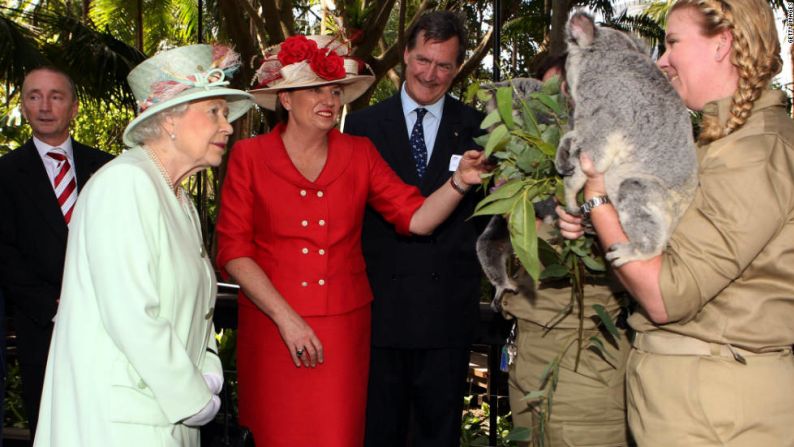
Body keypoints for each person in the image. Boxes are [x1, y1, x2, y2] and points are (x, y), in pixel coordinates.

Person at [215, 33, 488, 447]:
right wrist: (286, 319)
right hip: (272, 328)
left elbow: (416, 219)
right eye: (316, 89)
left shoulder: (359, 153)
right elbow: (233, 249)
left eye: (336, 90)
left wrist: (459, 182)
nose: (330, 99)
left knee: (336, 435)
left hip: (342, 333)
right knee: (275, 433)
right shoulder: (249, 157)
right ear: (285, 98)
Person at [558, 0, 794, 444]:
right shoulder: (718, 142)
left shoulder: (755, 153)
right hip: (692, 395)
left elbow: (666, 294)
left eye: (673, 42)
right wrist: (598, 223)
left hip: (716, 404)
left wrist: (597, 200)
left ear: (722, 44)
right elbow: (672, 243)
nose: (662, 61)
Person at [32, 44, 253, 446]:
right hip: (120, 421)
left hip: (166, 414)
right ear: (170, 119)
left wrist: (208, 368)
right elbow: (131, 314)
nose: (228, 127)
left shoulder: (177, 196)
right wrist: (192, 394)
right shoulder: (125, 184)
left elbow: (195, 306)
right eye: (215, 112)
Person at [342, 12, 486, 447]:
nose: (431, 74)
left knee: (437, 436)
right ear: (405, 54)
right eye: (423, 60)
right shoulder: (362, 126)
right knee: (377, 432)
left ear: (458, 67)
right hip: (381, 315)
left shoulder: (480, 129)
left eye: (444, 65)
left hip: (447, 317)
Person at [501, 55, 630, 446]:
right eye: (548, 96)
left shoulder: (623, 163)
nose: (560, 104)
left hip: (584, 360)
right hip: (528, 352)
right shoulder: (527, 169)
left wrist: (589, 216)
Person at [0, 66, 114, 439]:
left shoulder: (109, 168)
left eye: (56, 96)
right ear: (24, 105)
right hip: (42, 330)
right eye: (34, 96)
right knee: (52, 431)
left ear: (74, 107)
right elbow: (5, 253)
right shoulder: (5, 173)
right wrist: (55, 307)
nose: (45, 106)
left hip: (108, 327)